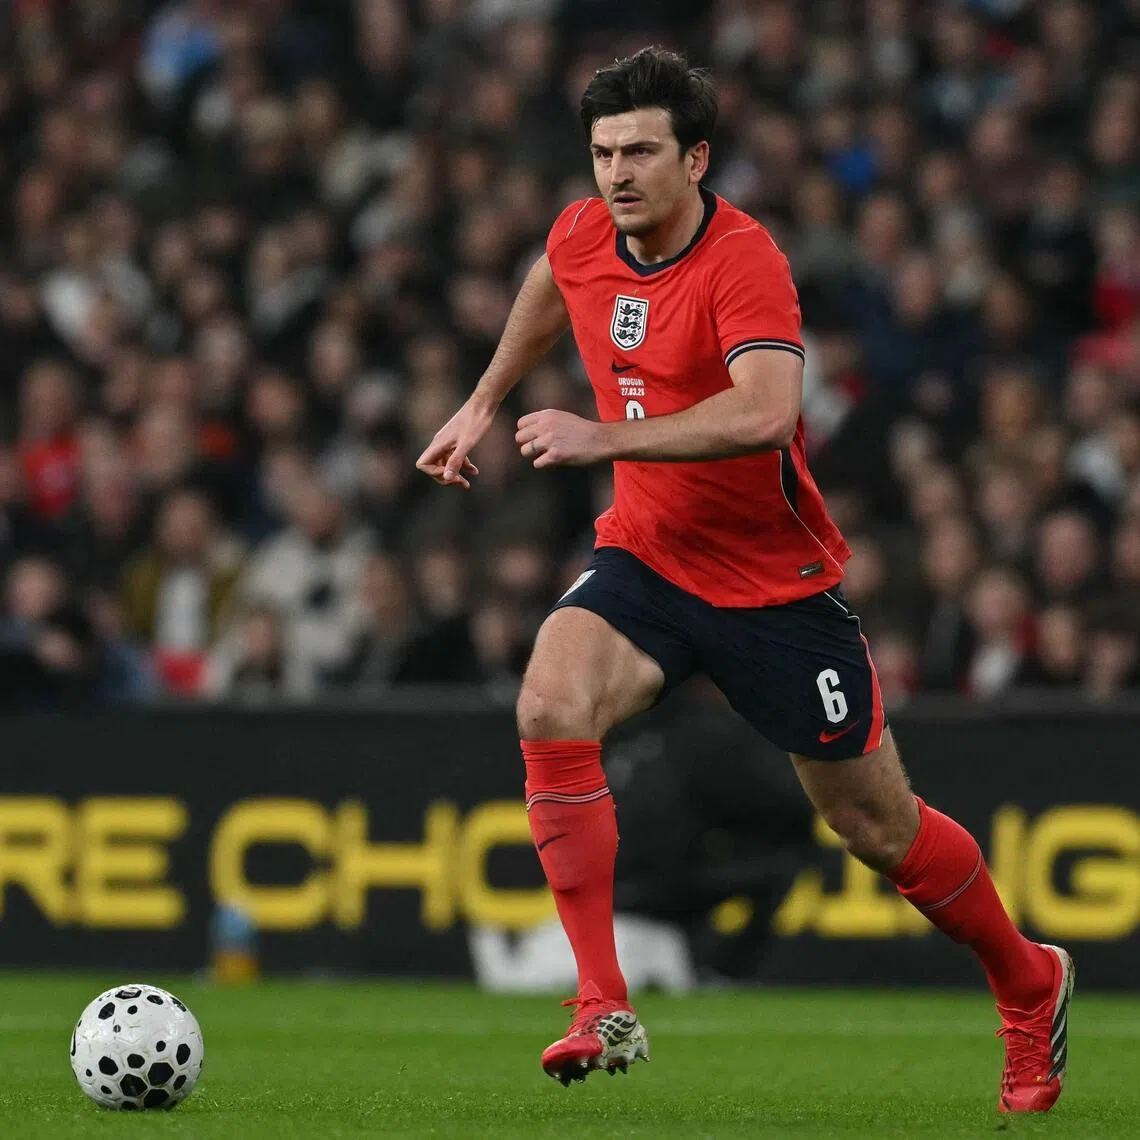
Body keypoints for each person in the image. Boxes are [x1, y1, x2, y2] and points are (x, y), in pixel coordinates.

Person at [416, 48, 1072, 1113]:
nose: (617, 173)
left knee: (876, 829)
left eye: (639, 151)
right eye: (602, 152)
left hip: (775, 590)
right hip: (647, 560)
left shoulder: (744, 260)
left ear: (696, 157)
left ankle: (1027, 979)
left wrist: (598, 433)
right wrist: (482, 402)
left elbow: (765, 411)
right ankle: (600, 999)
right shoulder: (588, 230)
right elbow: (552, 275)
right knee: (549, 699)